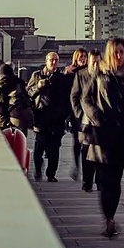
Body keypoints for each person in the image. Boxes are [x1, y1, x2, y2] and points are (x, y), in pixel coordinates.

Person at [83, 38, 124, 237]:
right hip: (102, 134)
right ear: (110, 54)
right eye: (116, 52)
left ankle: (110, 217)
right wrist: (96, 116)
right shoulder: (99, 74)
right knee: (105, 179)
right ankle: (108, 218)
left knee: (116, 178)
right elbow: (86, 98)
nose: (119, 56)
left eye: (122, 52)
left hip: (122, 135)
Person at [27, 52, 71, 182]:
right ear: (46, 61)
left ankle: (51, 174)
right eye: (51, 60)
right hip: (41, 116)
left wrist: (64, 114)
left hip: (57, 118)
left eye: (56, 60)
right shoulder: (36, 75)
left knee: (55, 148)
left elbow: (67, 98)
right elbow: (28, 93)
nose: (53, 62)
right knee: (39, 145)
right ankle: (38, 170)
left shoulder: (61, 78)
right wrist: (38, 87)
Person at [71, 49, 102, 192]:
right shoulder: (81, 74)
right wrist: (78, 114)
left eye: (97, 61)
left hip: (102, 119)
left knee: (101, 151)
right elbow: (74, 96)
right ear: (89, 60)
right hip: (85, 119)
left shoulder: (104, 74)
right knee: (86, 151)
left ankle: (100, 181)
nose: (95, 64)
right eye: (93, 61)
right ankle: (87, 180)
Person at [64, 48, 88, 181]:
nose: (83, 58)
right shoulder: (70, 73)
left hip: (88, 112)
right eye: (80, 56)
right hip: (75, 112)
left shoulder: (90, 72)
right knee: (77, 141)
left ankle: (86, 169)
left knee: (87, 142)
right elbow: (68, 95)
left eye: (85, 56)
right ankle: (77, 166)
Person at [0, 63, 34, 134]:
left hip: (2, 121)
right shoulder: (20, 83)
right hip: (19, 120)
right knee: (19, 142)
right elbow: (28, 99)